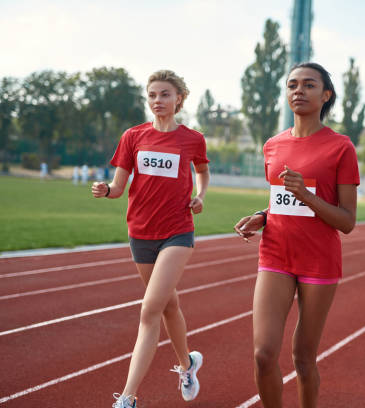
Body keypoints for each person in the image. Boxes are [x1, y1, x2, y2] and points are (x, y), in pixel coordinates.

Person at [234, 62, 359, 408]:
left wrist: (307, 195)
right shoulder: (273, 146)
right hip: (275, 255)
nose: (298, 90)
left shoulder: (341, 147)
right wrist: (261, 216)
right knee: (263, 354)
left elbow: (347, 221)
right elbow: (280, 201)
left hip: (318, 261)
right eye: (292, 85)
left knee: (303, 359)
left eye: (309, 85)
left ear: (326, 95)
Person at [92, 70, 210, 408]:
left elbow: (202, 171)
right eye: (153, 95)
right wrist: (106, 190)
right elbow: (118, 188)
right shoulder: (133, 136)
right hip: (140, 233)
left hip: (177, 231)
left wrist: (201, 195)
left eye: (165, 94)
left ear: (179, 99)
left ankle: (127, 399)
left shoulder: (192, 139)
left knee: (149, 310)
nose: (158, 101)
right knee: (168, 305)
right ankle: (188, 365)